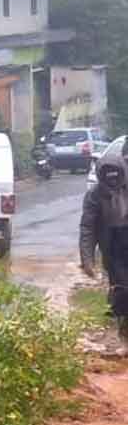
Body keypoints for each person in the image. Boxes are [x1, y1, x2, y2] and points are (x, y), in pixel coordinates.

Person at [81, 140, 128, 338]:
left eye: (116, 175)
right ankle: (123, 325)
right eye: (107, 177)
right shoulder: (94, 196)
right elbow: (87, 228)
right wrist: (88, 260)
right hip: (112, 245)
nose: (112, 181)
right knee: (122, 285)